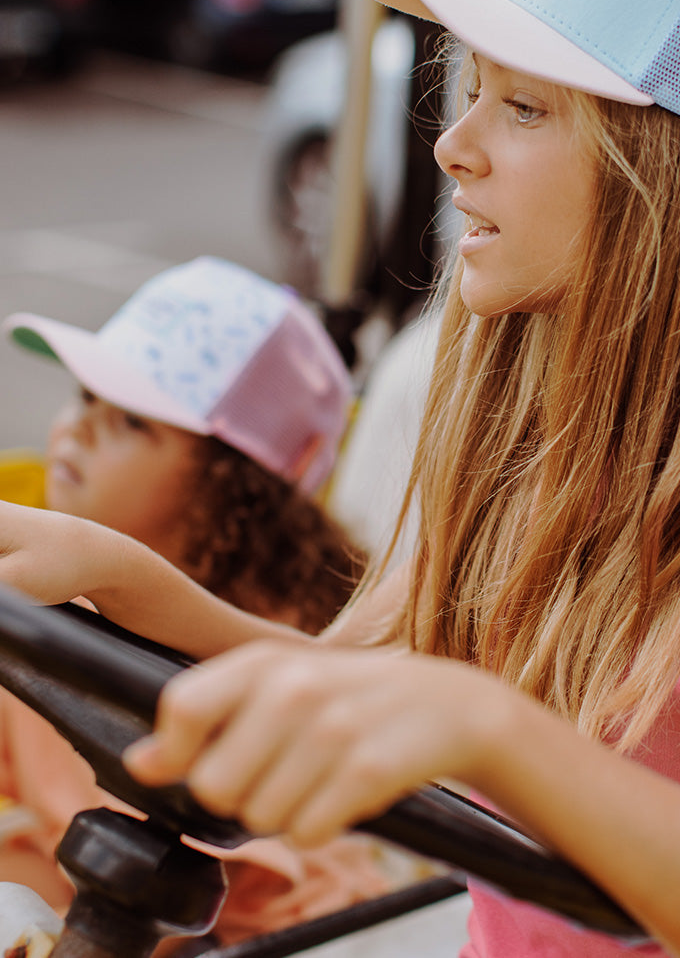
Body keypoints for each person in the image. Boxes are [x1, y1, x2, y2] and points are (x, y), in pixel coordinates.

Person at [0, 0, 680, 958]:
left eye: (523, 108)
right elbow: (356, 679)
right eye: (476, 96)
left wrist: (493, 726)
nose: (453, 148)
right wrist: (114, 572)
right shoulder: (543, 414)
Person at [0, 257, 408, 945]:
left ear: (233, 487)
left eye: (131, 419)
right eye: (85, 395)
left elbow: (187, 903)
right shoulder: (53, 578)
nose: (79, 428)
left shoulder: (257, 652)